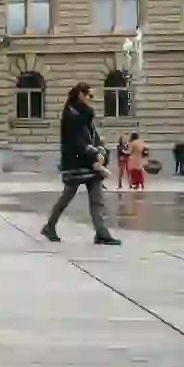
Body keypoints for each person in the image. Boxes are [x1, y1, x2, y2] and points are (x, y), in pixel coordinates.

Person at [41, 82, 121, 246]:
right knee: (67, 197)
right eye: (90, 96)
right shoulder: (71, 115)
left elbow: (94, 135)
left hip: (91, 161)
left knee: (97, 199)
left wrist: (101, 150)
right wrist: (94, 153)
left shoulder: (86, 113)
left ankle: (101, 232)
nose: (92, 99)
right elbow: (76, 141)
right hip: (76, 162)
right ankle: (50, 226)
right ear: (81, 95)